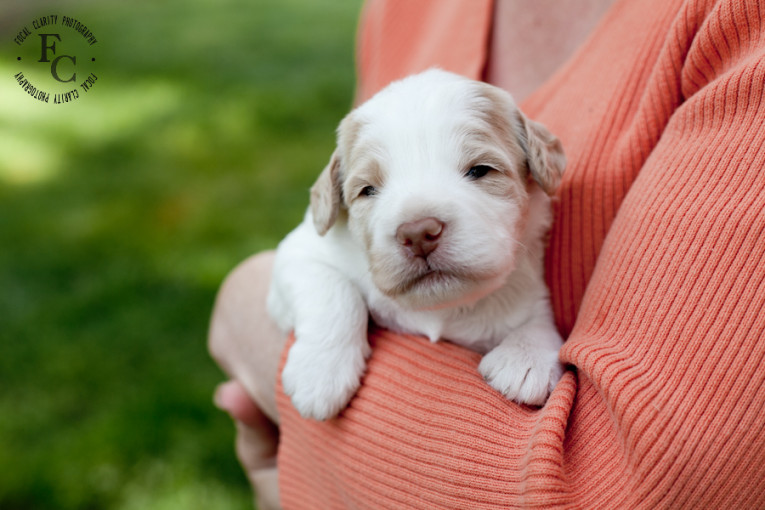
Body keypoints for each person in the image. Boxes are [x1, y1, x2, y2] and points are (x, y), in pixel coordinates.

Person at [209, 0, 765, 508]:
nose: (417, 228)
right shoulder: (398, 12)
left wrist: (253, 327)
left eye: (478, 169)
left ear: (537, 166)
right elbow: (306, 253)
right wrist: (331, 330)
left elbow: (634, 485)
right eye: (369, 190)